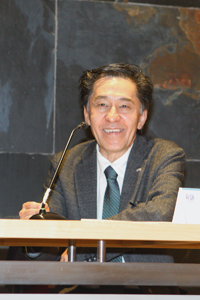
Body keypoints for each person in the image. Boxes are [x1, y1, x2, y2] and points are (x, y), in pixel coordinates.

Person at [19, 63, 185, 265]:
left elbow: (160, 213)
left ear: (141, 117)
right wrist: (34, 233)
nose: (112, 117)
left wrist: (83, 247)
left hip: (145, 289)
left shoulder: (164, 156)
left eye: (124, 106)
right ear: (87, 115)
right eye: (102, 105)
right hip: (79, 290)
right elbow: (52, 251)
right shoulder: (66, 164)